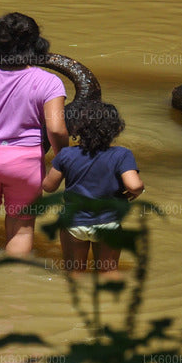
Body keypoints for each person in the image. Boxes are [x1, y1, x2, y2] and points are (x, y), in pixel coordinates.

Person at [0, 13, 68, 256]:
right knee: (22, 228)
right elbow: (56, 128)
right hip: (24, 163)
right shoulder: (49, 82)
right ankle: (14, 284)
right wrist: (64, 160)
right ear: (35, 43)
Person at [42, 100, 143, 274]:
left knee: (74, 274)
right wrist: (138, 191)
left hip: (74, 223)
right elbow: (134, 185)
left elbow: (49, 187)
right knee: (109, 273)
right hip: (108, 223)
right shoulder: (122, 154)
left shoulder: (66, 154)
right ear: (115, 130)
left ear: (79, 129)